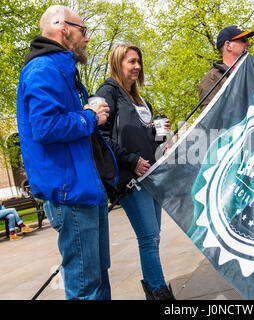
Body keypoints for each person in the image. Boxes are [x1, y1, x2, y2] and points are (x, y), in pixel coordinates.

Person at [16, 5, 119, 300]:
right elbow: (46, 128)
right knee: (86, 285)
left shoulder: (60, 68)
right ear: (63, 27)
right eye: (82, 30)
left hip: (84, 187)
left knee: (97, 277)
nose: (86, 38)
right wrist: (89, 116)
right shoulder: (43, 69)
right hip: (70, 192)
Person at [95, 44, 175, 300]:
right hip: (131, 179)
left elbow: (140, 136)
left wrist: (158, 134)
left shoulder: (139, 98)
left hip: (151, 176)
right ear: (118, 63)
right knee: (149, 237)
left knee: (154, 237)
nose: (137, 66)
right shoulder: (108, 92)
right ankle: (158, 291)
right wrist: (131, 161)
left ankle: (154, 287)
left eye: (139, 61)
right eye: (131, 61)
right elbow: (100, 135)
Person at [198, 25, 254, 111]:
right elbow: (212, 118)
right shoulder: (212, 78)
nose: (249, 43)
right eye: (244, 40)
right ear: (228, 45)